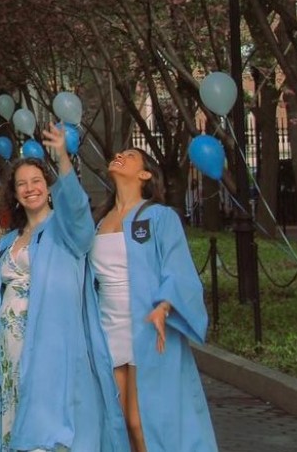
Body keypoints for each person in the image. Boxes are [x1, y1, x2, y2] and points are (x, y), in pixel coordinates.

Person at [0, 125, 126, 452]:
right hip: (9, 348)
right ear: (16, 195)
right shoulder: (7, 240)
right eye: (21, 184)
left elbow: (78, 211)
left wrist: (63, 158)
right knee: (14, 413)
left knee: (50, 427)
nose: (29, 188)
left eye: (36, 181)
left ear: (50, 188)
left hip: (51, 345)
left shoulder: (66, 231)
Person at [92, 146, 216, 452]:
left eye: (130, 156)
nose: (119, 156)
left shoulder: (159, 217)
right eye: (118, 153)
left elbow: (177, 268)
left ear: (145, 174)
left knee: (142, 421)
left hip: (146, 329)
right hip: (108, 327)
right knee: (116, 422)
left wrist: (164, 306)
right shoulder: (99, 220)